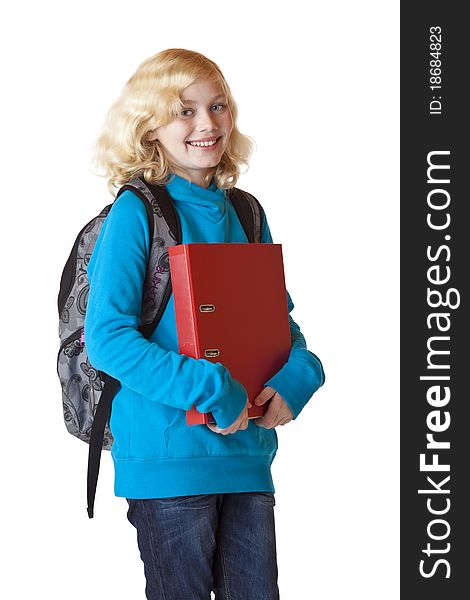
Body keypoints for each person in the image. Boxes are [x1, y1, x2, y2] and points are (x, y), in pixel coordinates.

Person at [85, 48, 325, 600]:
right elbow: (108, 340)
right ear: (149, 127)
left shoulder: (246, 213)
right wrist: (215, 388)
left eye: (217, 106)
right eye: (184, 110)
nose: (207, 123)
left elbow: (281, 327)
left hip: (246, 459)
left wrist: (297, 380)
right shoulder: (135, 211)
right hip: (169, 460)